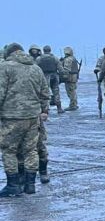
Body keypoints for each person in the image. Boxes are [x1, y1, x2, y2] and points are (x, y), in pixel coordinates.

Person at [0, 43, 50, 197]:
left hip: (12, 117)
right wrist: (44, 110)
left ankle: (13, 184)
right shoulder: (35, 68)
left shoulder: (5, 67)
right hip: (33, 116)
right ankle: (30, 184)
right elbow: (45, 92)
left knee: (9, 150)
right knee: (30, 150)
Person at [37, 45, 64, 115]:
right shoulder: (55, 58)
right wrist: (62, 76)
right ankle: (59, 108)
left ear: (43, 50)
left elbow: (36, 68)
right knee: (56, 92)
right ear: (50, 50)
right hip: (54, 76)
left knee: (46, 93)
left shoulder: (39, 58)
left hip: (45, 77)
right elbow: (61, 69)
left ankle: (46, 109)